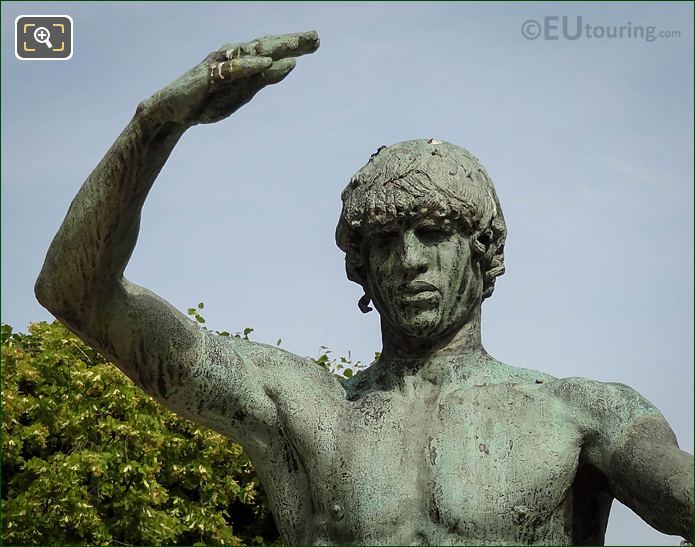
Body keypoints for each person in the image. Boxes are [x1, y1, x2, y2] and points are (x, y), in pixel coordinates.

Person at [35, 31, 693, 546]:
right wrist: (154, 124)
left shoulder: (581, 414)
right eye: (383, 241)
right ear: (361, 268)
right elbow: (75, 291)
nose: (408, 259)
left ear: (481, 250)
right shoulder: (302, 409)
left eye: (432, 233)